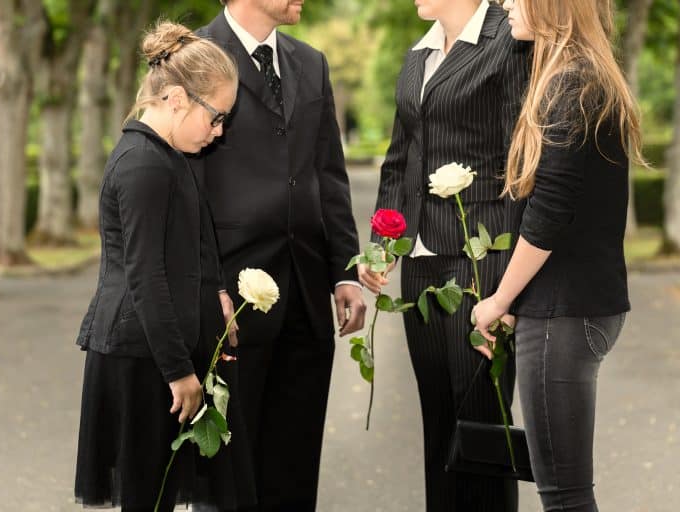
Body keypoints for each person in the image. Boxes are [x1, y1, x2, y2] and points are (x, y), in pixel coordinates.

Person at [192, 1, 366, 511]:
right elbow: (183, 188)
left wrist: (345, 273)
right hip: (230, 308)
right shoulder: (191, 58)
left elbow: (328, 174)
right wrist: (209, 287)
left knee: (293, 475)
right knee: (224, 480)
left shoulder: (312, 63)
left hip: (307, 302)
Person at [472, 0, 645, 510]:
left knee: (565, 497)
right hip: (581, 307)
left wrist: (499, 301)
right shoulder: (587, 77)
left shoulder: (571, 84)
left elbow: (548, 216)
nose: (503, 2)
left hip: (562, 315)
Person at [358, 0, 530, 510]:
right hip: (421, 267)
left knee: (480, 426)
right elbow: (399, 161)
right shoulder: (420, 53)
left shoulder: (510, 40)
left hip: (483, 264)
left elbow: (524, 168)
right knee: (437, 423)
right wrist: (384, 242)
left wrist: (512, 289)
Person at [73, 21, 243, 512]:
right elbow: (146, 277)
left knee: (160, 497)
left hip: (155, 354)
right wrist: (179, 371)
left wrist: (215, 297)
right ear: (174, 98)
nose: (219, 131)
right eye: (216, 116)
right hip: (141, 359)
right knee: (147, 497)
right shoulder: (144, 165)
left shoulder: (166, 157)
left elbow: (190, 249)